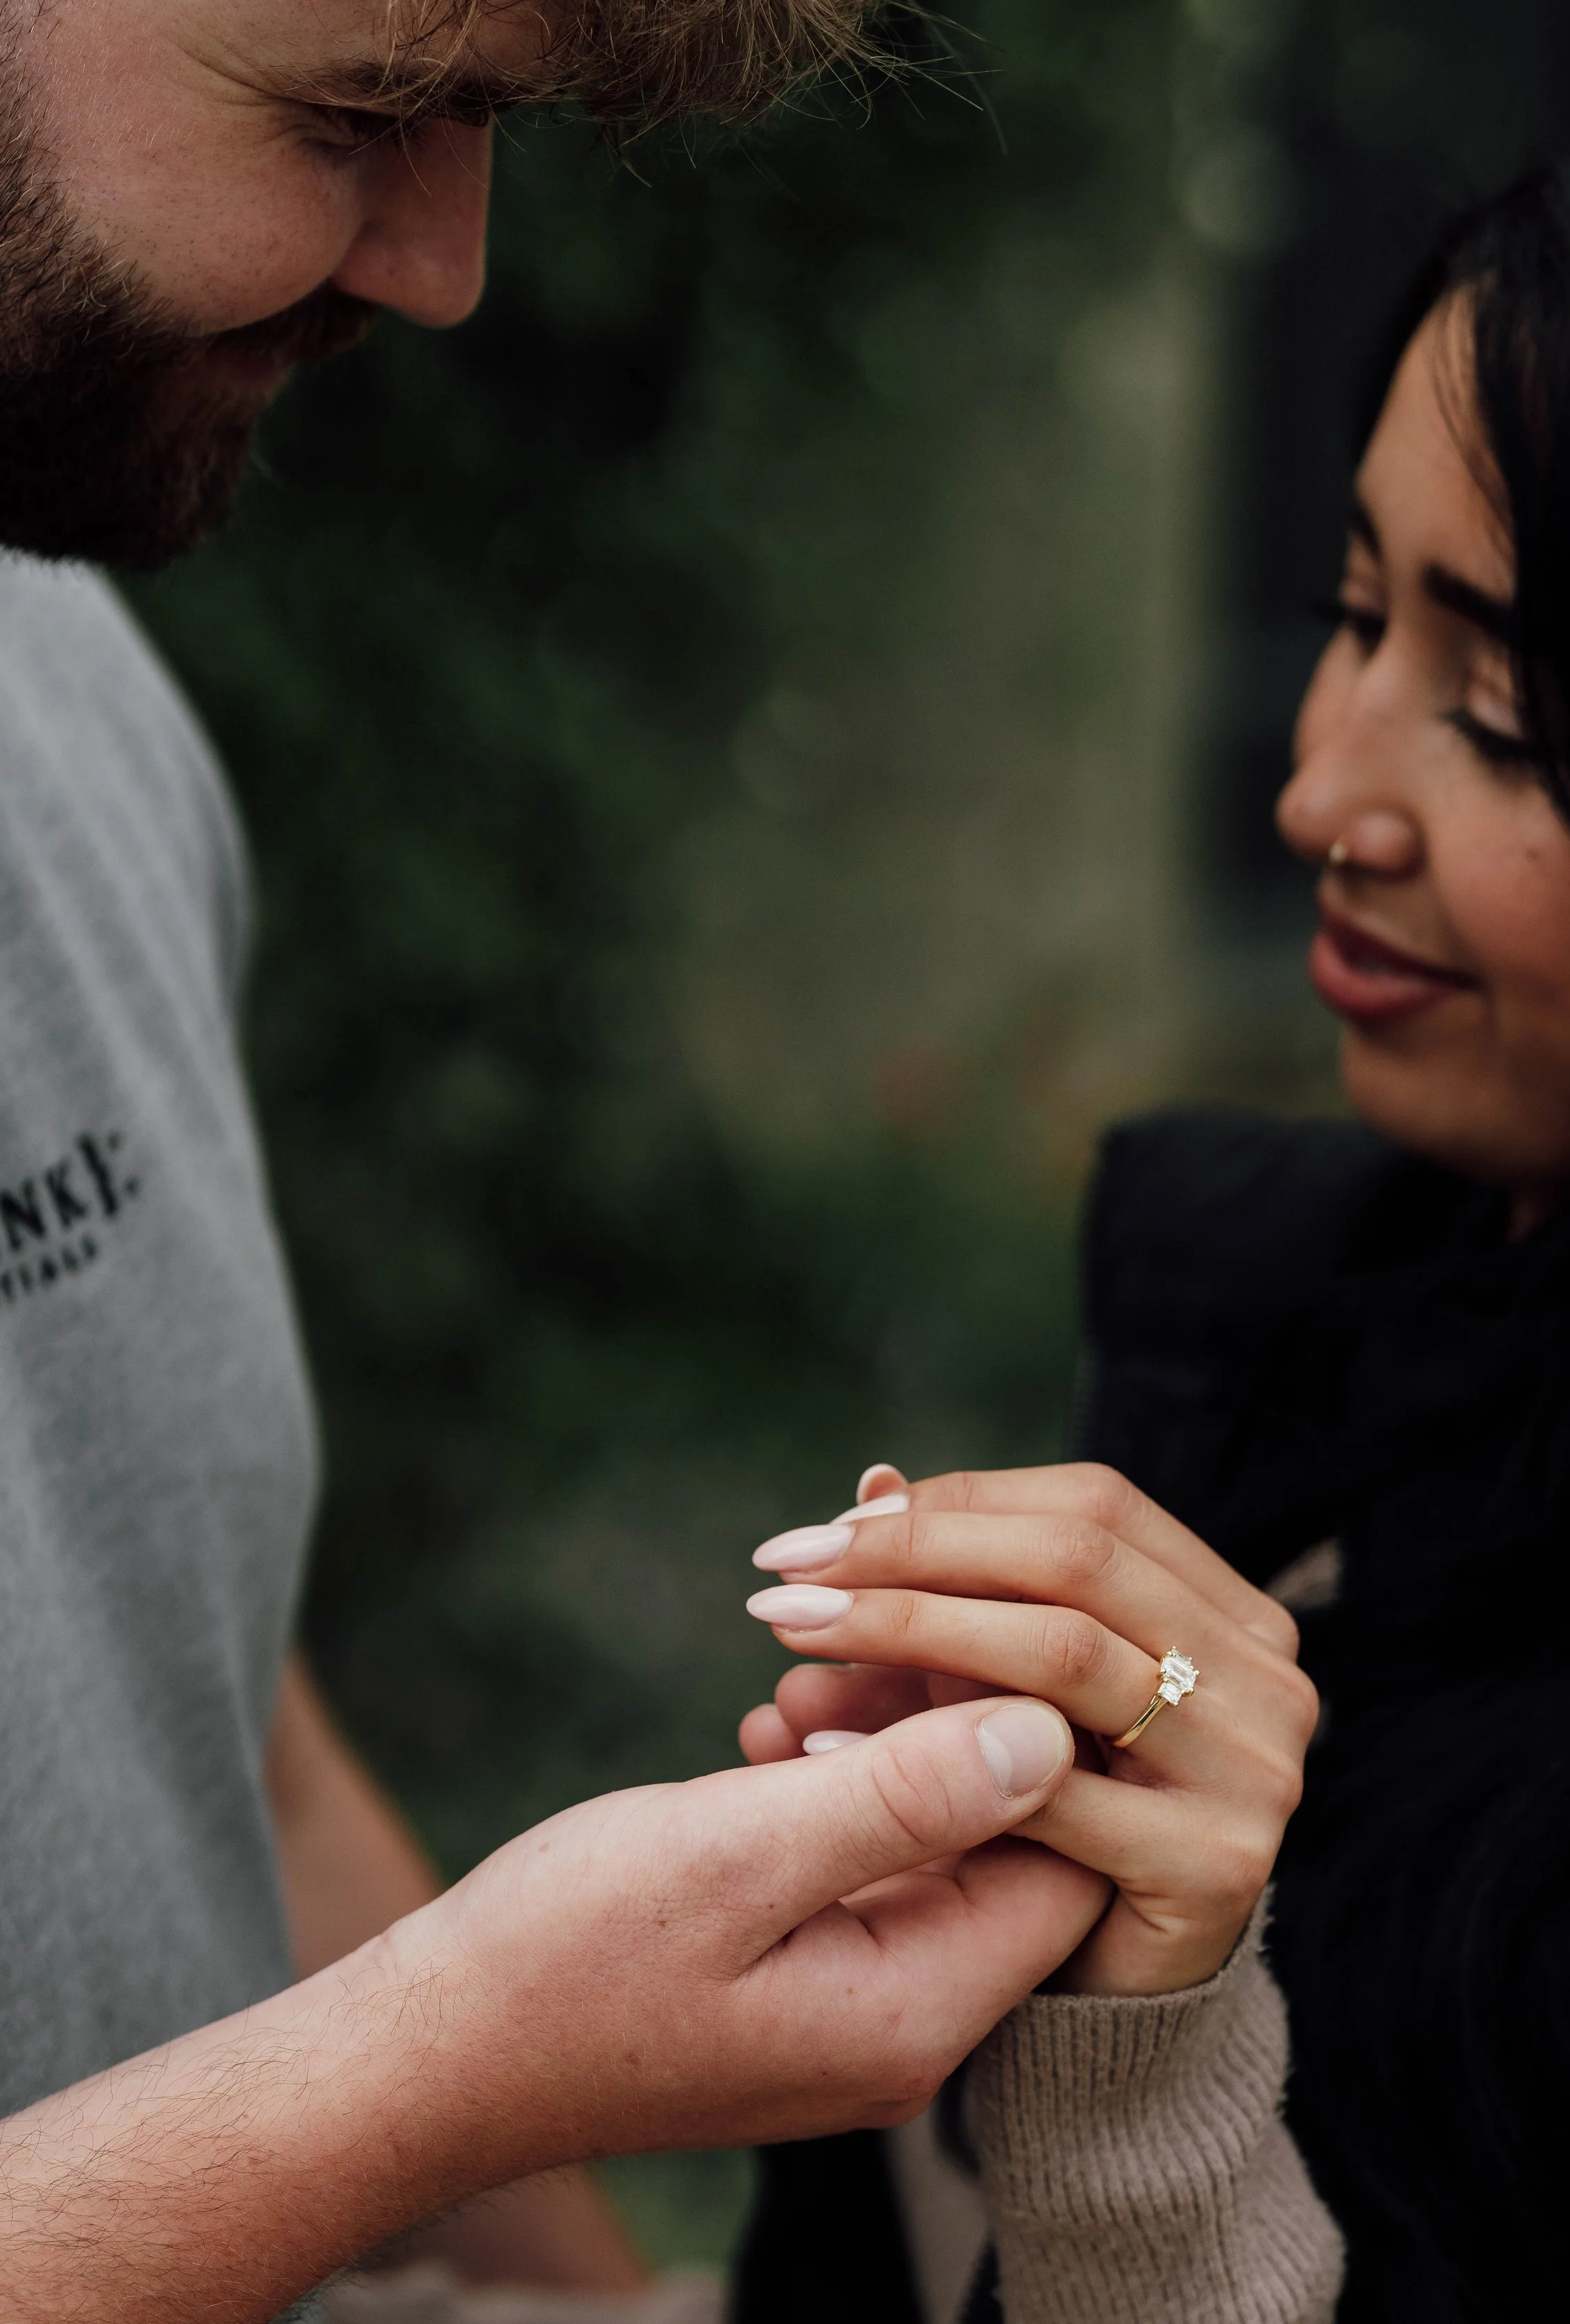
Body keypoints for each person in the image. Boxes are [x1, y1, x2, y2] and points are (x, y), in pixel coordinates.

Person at [0, 1, 1177, 2315]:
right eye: (360, 111)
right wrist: (433, 2074)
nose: (445, 264)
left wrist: (611, 2290)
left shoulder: (76, 708)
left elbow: (211, 1750)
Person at [730, 79, 1570, 2324]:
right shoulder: (1277, 1314)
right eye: (1351, 607)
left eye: (1502, 712)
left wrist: (1152, 2042)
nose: (1315, 788)